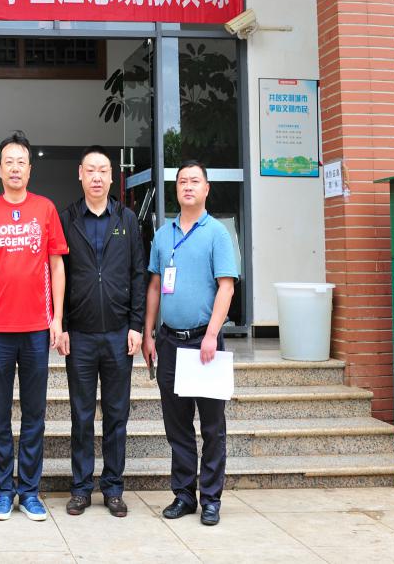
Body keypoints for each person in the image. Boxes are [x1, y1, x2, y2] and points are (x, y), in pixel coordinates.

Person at [0, 130, 67, 522]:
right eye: (8, 162)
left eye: (20, 162)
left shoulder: (45, 209)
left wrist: (57, 318)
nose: (14, 168)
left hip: (38, 330)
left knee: (34, 414)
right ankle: (3, 490)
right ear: (0, 169)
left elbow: (57, 265)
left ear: (29, 169)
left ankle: (29, 491)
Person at [142, 159, 238, 527]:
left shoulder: (217, 233)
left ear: (206, 188)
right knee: (177, 425)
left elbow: (226, 287)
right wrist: (149, 333)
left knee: (212, 426)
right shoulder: (163, 235)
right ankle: (184, 494)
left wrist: (212, 334)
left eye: (194, 181)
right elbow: (155, 286)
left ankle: (211, 498)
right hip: (169, 342)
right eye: (182, 181)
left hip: (205, 343)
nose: (187, 186)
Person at [59, 146, 145, 518]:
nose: (97, 176)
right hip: (79, 335)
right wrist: (61, 325)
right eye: (91, 170)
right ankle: (81, 488)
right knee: (81, 416)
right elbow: (57, 275)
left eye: (103, 170)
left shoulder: (127, 219)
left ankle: (113, 488)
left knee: (116, 415)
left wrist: (137, 325)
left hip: (118, 335)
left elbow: (138, 274)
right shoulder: (67, 218)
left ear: (112, 177)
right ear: (80, 174)